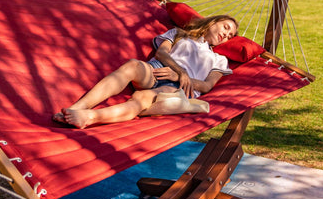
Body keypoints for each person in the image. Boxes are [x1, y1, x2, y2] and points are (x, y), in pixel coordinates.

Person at [53, 15, 238, 129]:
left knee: (143, 98)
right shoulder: (179, 33)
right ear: (214, 21)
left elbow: (207, 85)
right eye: (225, 27)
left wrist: (181, 77)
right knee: (133, 65)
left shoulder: (219, 59)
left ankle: (90, 118)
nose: (226, 35)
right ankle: (78, 107)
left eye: (230, 36)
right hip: (158, 68)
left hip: (180, 87)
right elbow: (162, 52)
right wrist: (179, 70)